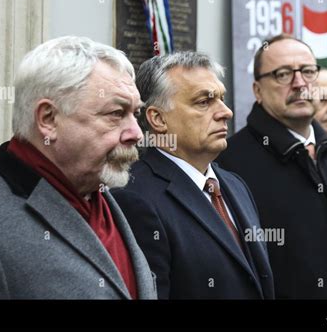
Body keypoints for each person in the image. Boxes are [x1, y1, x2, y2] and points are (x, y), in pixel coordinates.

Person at [0, 36, 157, 299]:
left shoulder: (108, 200)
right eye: (116, 114)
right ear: (48, 119)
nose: (136, 133)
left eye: (134, 114)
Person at [217, 34, 327, 299]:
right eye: (283, 74)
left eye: (308, 72)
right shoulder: (228, 164)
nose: (299, 84)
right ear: (257, 90)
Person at [112, 51, 275, 299]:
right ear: (158, 119)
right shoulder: (135, 197)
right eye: (204, 102)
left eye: (222, 99)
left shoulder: (235, 185)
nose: (226, 112)